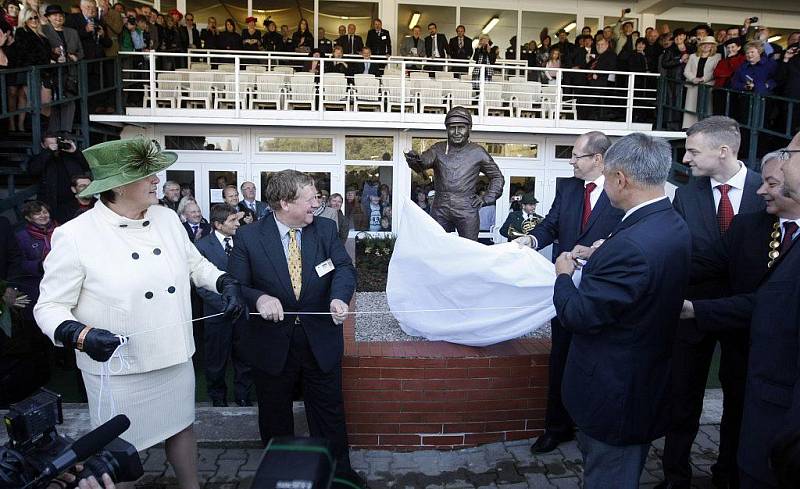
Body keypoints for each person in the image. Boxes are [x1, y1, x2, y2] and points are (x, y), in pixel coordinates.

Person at [34, 138, 246, 489]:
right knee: (119, 452)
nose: (157, 181)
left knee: (181, 425)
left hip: (174, 355)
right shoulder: (75, 235)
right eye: (147, 174)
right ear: (117, 186)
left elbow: (196, 265)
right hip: (120, 367)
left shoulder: (166, 217)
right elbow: (49, 306)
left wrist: (224, 282)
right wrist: (80, 335)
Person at [553, 132, 691, 489]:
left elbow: (578, 315)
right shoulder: (670, 222)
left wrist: (564, 276)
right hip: (641, 382)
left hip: (616, 396)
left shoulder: (632, 243)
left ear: (619, 179)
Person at [227, 169, 360, 484]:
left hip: (320, 341)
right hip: (271, 344)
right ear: (285, 203)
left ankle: (339, 476)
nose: (317, 203)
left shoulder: (325, 229)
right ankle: (281, 477)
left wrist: (339, 298)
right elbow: (234, 283)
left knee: (329, 414)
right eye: (311, 198)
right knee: (275, 415)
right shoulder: (248, 236)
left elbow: (343, 268)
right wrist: (258, 299)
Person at [658, 116, 764, 489]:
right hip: (691, 315)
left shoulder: (764, 190)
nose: (685, 159)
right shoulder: (687, 194)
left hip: (743, 317)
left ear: (724, 150)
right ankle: (675, 477)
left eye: (692, 150)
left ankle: (728, 474)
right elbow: (682, 252)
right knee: (682, 398)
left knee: (739, 400)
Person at [514, 131, 623, 454]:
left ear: (598, 159)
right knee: (560, 359)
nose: (571, 161)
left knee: (598, 361)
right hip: (565, 291)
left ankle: (592, 427)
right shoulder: (568, 189)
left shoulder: (621, 190)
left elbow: (628, 234)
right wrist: (531, 241)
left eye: (576, 156)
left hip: (603, 292)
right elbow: (551, 225)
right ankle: (556, 427)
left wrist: (599, 250)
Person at [404, 107, 504, 241]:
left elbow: (497, 177)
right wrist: (414, 159)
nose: (457, 132)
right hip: (441, 208)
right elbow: (423, 162)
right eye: (452, 128)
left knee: (468, 249)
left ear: (469, 128)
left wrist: (486, 199)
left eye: (461, 127)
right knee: (438, 246)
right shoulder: (438, 149)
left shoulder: (478, 152)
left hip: (466, 208)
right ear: (447, 129)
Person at [195, 204, 252, 408]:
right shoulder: (202, 246)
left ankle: (243, 395)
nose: (238, 223)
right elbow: (200, 284)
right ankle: (218, 397)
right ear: (218, 224)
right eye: (232, 220)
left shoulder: (243, 242)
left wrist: (241, 302)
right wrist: (225, 303)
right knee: (216, 360)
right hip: (216, 314)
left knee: (244, 357)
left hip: (243, 312)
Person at [27, 132, 91, 222]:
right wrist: (48, 152)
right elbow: (33, 170)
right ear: (43, 145)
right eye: (51, 144)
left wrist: (75, 152)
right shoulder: (39, 158)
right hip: (52, 203)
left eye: (56, 143)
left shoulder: (69, 157)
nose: (55, 146)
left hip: (73, 202)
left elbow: (87, 167)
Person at [683, 36, 720, 128]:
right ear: (700, 46)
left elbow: (715, 71)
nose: (706, 46)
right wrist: (693, 79)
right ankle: (689, 128)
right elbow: (686, 71)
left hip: (707, 86)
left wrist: (704, 79)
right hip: (693, 85)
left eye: (709, 44)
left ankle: (705, 128)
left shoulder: (717, 56)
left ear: (713, 46)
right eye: (704, 44)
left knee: (706, 108)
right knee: (691, 107)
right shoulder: (693, 56)